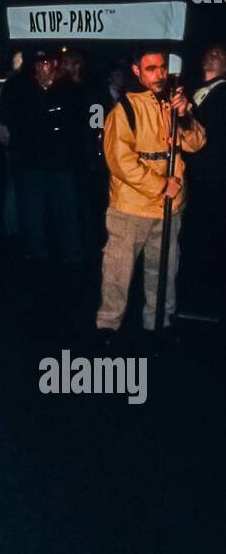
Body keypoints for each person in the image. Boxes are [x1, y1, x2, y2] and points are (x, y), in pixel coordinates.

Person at [95, 46, 206, 344]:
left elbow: (196, 143)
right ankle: (108, 325)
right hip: (131, 206)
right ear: (137, 72)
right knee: (118, 270)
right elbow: (120, 161)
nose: (158, 75)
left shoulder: (174, 102)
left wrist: (183, 116)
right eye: (150, 69)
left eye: (161, 68)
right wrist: (159, 184)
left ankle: (159, 322)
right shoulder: (126, 109)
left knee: (164, 269)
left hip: (170, 207)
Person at [0, 47, 89, 267]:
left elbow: (76, 120)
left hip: (60, 161)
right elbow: (4, 114)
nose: (42, 67)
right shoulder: (17, 85)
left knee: (66, 207)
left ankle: (72, 252)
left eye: (46, 62)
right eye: (38, 63)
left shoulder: (68, 87)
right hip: (29, 160)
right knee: (31, 209)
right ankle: (34, 252)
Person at [180, 43, 226, 326]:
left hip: (212, 175)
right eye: (211, 52)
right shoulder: (195, 89)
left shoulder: (221, 93)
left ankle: (207, 302)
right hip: (193, 174)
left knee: (207, 236)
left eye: (221, 54)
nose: (214, 55)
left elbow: (207, 131)